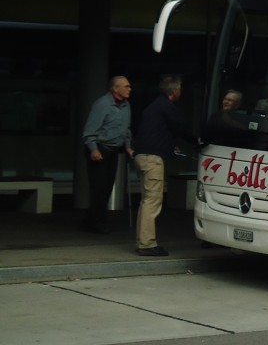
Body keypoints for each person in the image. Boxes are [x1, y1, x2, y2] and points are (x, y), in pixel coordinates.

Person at [131, 75, 194, 257]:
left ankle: (143, 241)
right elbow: (181, 128)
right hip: (152, 159)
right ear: (174, 92)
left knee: (146, 201)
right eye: (180, 89)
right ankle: (147, 244)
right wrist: (197, 140)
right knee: (153, 201)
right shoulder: (167, 107)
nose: (181, 91)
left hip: (141, 156)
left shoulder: (153, 107)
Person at [80, 76, 134, 234]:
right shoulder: (102, 104)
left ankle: (91, 219)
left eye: (129, 86)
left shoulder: (126, 105)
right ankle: (96, 223)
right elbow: (89, 131)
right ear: (115, 89)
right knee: (98, 188)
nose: (129, 89)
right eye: (126, 86)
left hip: (114, 150)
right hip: (100, 149)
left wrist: (128, 147)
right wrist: (93, 149)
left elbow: (126, 129)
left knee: (107, 187)